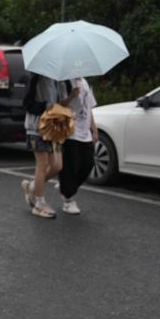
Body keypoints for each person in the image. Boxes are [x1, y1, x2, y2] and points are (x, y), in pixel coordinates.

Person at [21, 72, 74, 218]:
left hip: (54, 128)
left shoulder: (60, 78)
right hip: (37, 127)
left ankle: (31, 185)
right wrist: (46, 107)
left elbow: (62, 104)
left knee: (57, 166)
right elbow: (27, 103)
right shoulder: (36, 76)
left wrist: (70, 95)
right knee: (42, 165)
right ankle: (39, 205)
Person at [57, 76, 98, 215]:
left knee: (88, 164)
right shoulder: (64, 82)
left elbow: (89, 108)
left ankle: (66, 186)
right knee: (71, 166)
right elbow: (59, 106)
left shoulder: (85, 82)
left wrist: (94, 129)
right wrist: (71, 96)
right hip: (70, 131)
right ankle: (68, 200)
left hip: (85, 133)